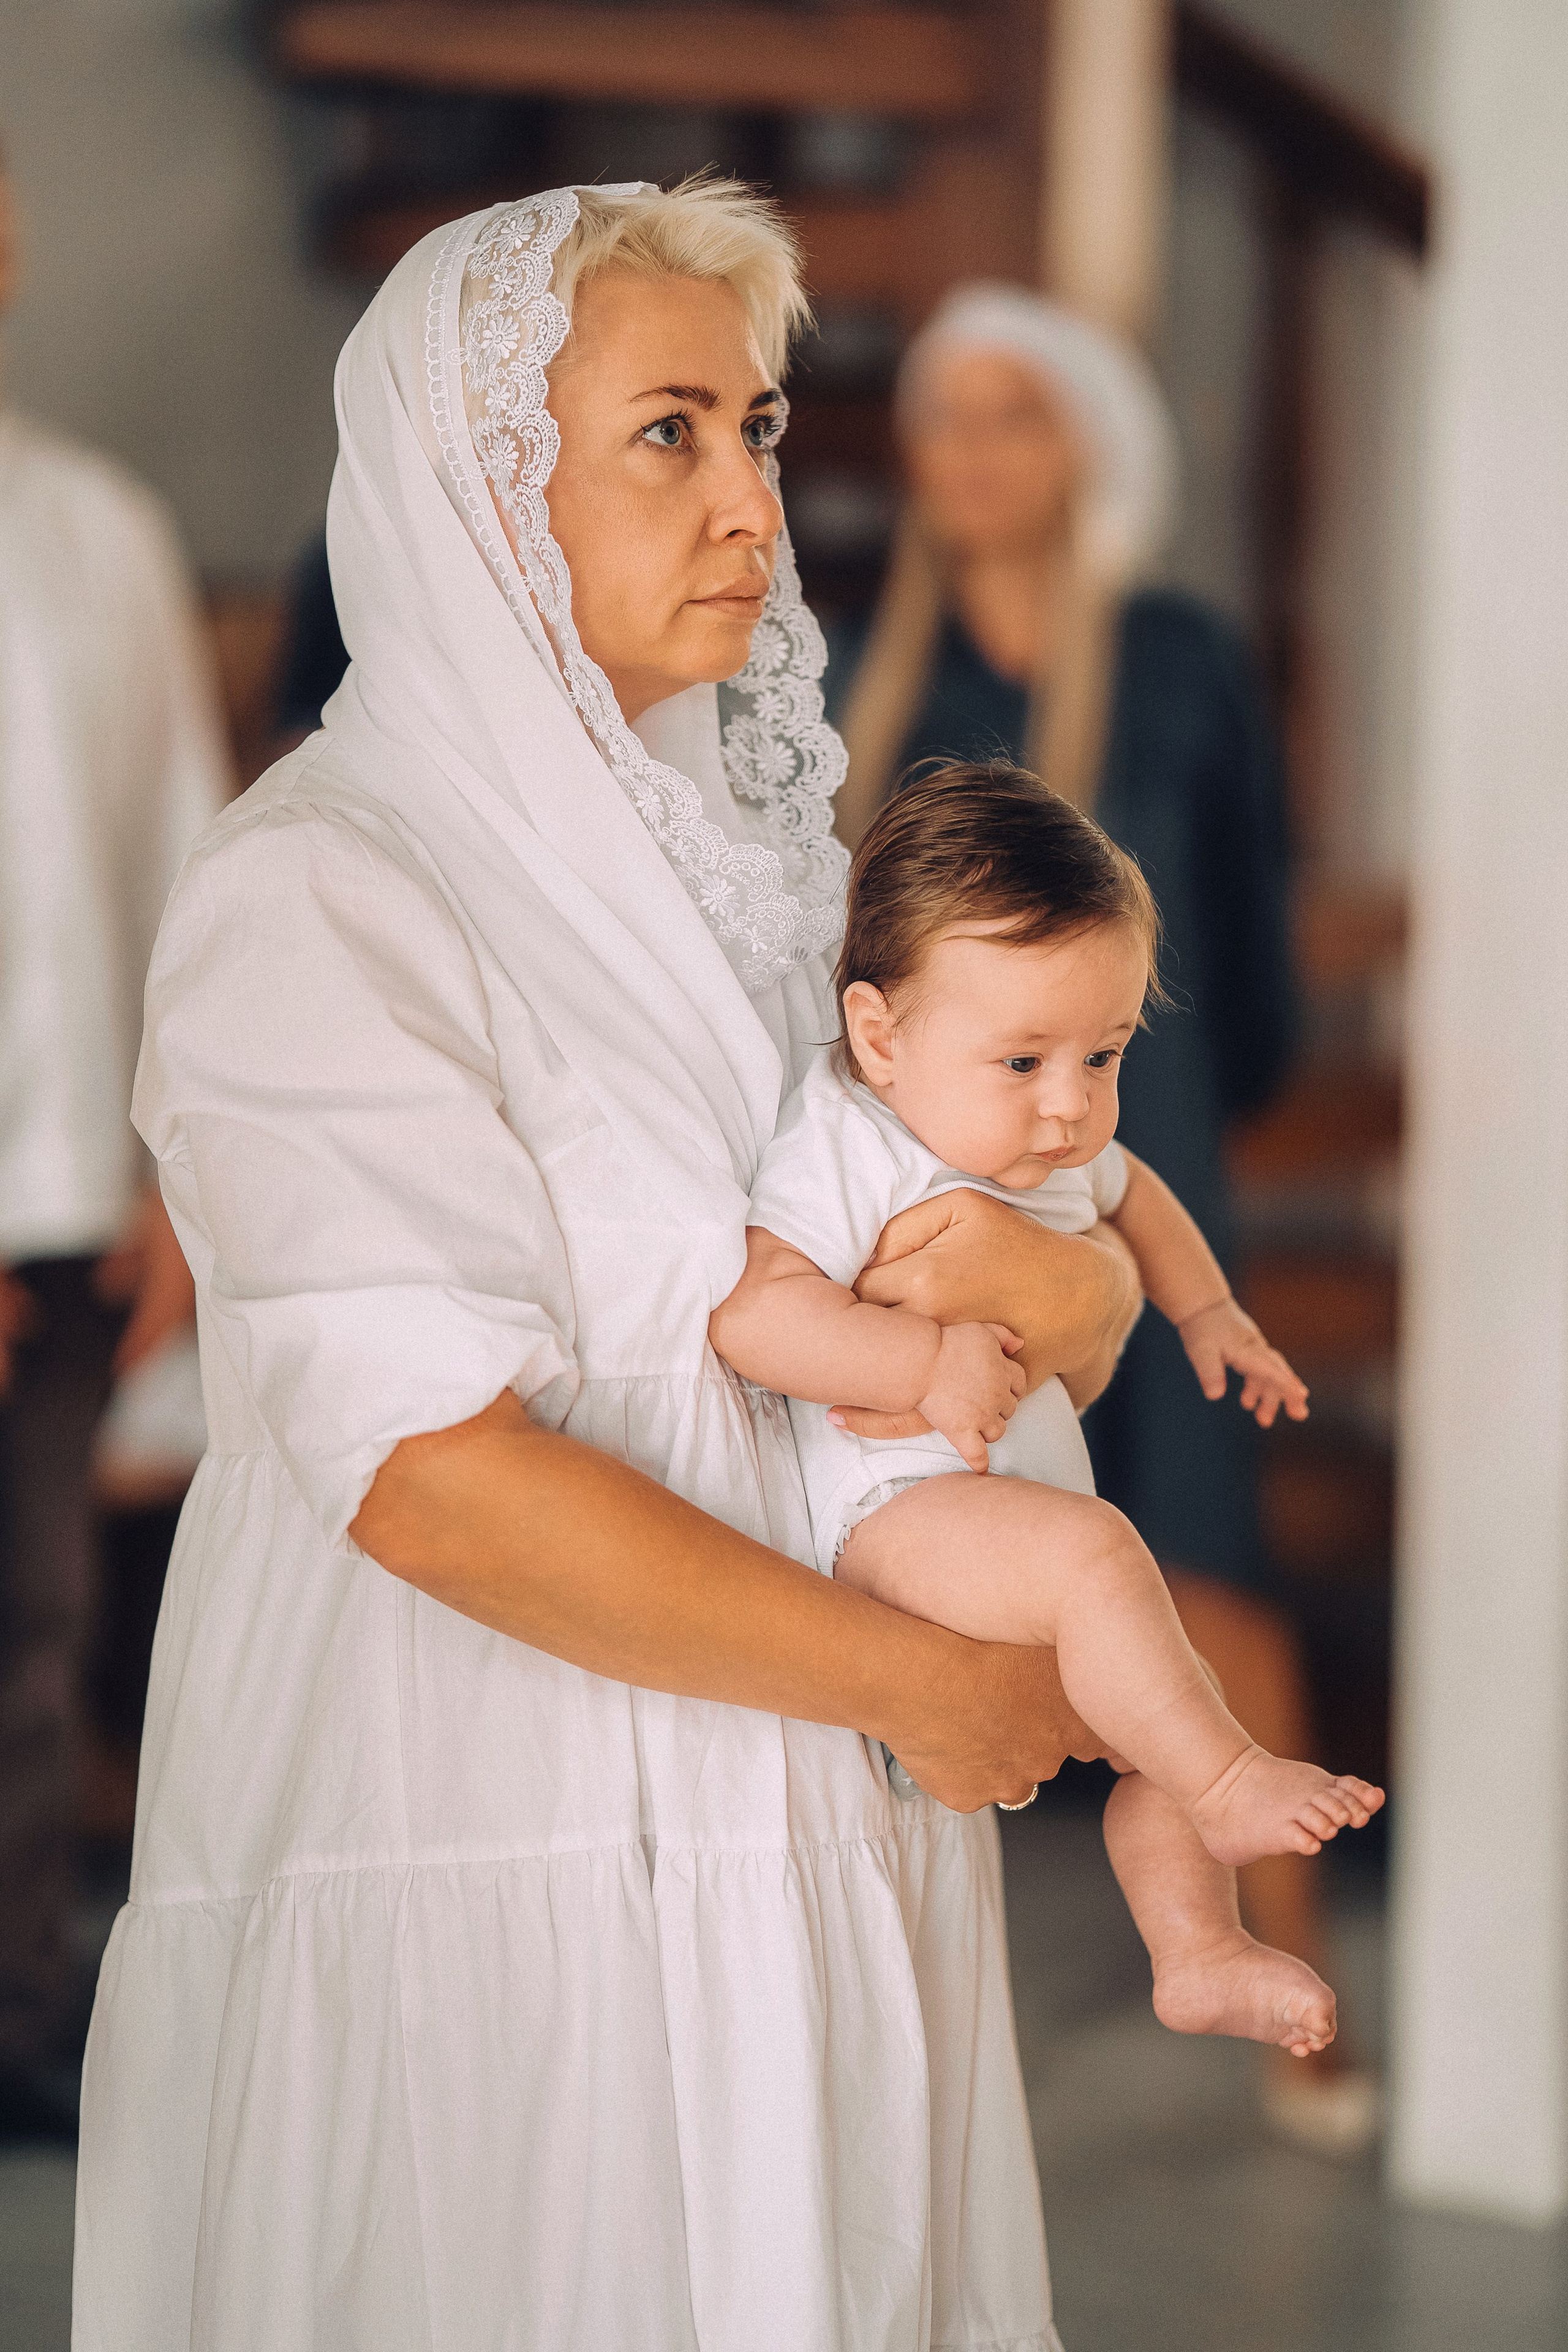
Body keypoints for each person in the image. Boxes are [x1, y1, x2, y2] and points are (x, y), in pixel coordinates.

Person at [74, 181, 1145, 2350]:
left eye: (759, 424)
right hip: (481, 1822)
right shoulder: (324, 889)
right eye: (670, 430)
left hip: (808, 1829)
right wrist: (931, 1687)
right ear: (478, 487)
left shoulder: (771, 879)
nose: (753, 492)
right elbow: (428, 1477)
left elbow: (996, 1236)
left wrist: (1090, 1296)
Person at [828, 285, 1371, 2150]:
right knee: (1014, 1551)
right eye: (942, 420)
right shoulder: (864, 680)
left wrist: (1169, 1164)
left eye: (1013, 416)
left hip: (1141, 1160)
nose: (972, 455)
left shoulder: (1180, 655)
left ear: (1083, 443)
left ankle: (1313, 2010)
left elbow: (1248, 922)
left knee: (1208, 1573)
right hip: (945, 1182)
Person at [713, 763, 1382, 2059]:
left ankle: (1197, 1950)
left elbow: (1140, 1199)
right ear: (880, 1034)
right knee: (1116, 1587)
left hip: (1003, 1518)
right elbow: (753, 1314)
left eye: (1103, 1052)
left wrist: (1207, 1316)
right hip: (892, 1515)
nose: (1070, 1101)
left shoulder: (1046, 1139)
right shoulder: (854, 1140)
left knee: (1152, 1725)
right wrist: (916, 1367)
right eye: (1022, 1057)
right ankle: (1232, 1780)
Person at [0, 151, 229, 2142]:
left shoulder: (96, 524)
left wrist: (173, 1174)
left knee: (36, 1627)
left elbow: (181, 866)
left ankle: (14, 2011)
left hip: (78, 1193)